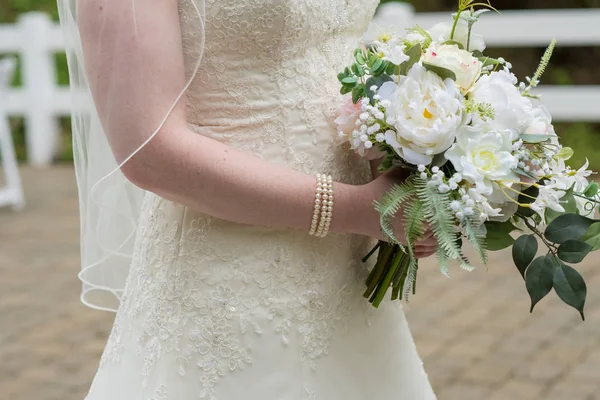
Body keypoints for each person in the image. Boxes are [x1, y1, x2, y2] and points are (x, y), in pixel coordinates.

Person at [60, 0, 438, 398]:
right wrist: (355, 209)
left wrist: (403, 149)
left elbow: (325, 48)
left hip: (347, 272)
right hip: (229, 278)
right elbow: (150, 152)